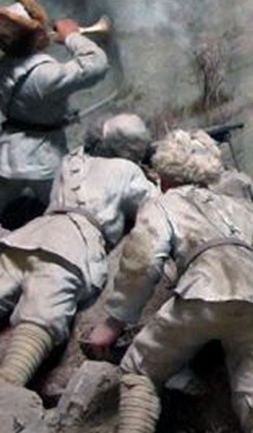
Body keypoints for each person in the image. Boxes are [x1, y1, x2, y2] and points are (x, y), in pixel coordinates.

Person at [88, 130, 253, 433]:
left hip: (202, 296)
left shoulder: (162, 204)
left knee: (140, 370)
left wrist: (114, 322)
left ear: (164, 176)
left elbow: (143, 260)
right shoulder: (236, 208)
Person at [0, 114, 155, 386]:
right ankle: (9, 385)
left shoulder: (71, 160)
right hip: (72, 243)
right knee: (41, 316)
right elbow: (153, 204)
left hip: (31, 234)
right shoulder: (127, 170)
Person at [0, 0, 109, 222]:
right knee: (62, 213)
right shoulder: (45, 75)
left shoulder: (4, 68)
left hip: (7, 156)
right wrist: (72, 37)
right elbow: (96, 64)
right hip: (43, 160)